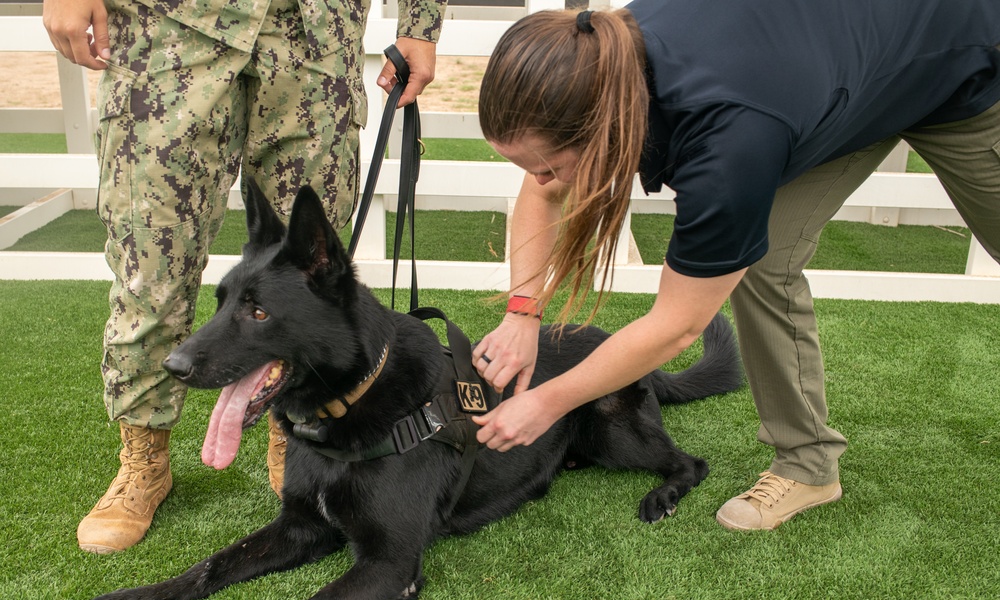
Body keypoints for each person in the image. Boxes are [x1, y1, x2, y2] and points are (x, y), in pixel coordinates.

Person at [470, 0, 1000, 530]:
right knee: (763, 254)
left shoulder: (727, 144)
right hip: (837, 75)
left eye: (547, 166)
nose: (539, 180)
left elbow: (677, 326)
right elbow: (543, 199)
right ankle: (808, 463)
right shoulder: (597, 57)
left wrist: (546, 403)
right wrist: (522, 313)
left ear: (603, 123)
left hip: (963, 57)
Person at [42, 0, 446, 553]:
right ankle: (144, 458)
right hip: (171, 32)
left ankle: (294, 438)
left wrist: (419, 25)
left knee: (307, 281)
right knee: (151, 269)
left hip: (314, 35)